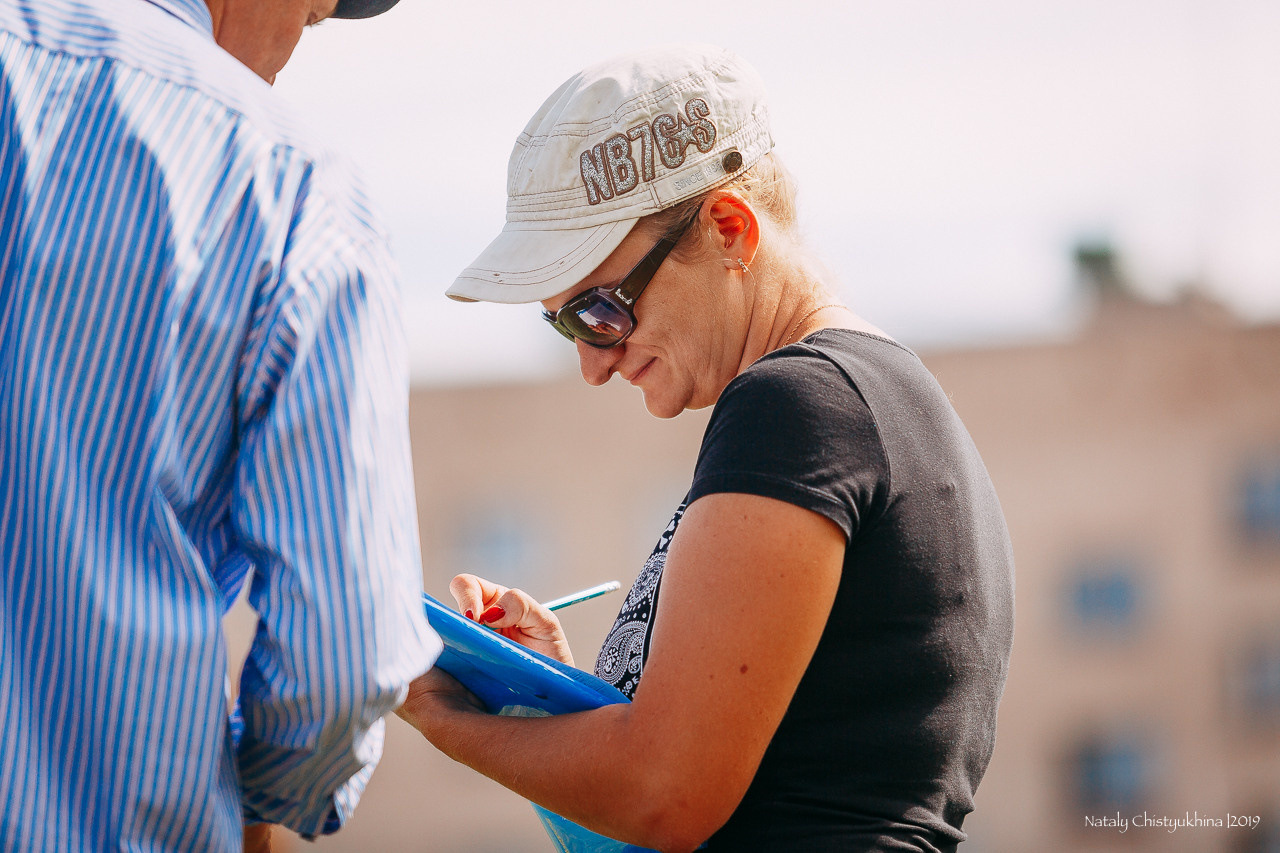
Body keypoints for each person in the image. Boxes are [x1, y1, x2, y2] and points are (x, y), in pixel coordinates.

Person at [397, 45, 1016, 852]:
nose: (591, 362)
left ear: (729, 228)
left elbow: (667, 795)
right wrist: (550, 693)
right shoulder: (868, 399)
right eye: (561, 325)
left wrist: (441, 716)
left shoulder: (799, 402)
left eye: (600, 311)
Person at [0, 0, 442, 850]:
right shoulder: (296, 187)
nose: (292, 53)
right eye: (314, 18)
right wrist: (269, 800)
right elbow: (340, 659)